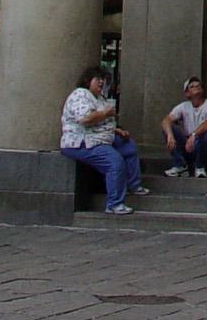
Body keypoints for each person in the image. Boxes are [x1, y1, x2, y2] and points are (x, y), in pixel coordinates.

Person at [59, 66, 147, 216]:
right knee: (114, 162)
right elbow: (85, 119)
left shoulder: (99, 98)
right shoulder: (81, 94)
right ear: (88, 80)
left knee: (128, 147)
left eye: (103, 80)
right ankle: (114, 203)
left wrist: (116, 130)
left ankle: (133, 184)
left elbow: (101, 122)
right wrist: (106, 113)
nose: (101, 82)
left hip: (101, 138)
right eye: (97, 79)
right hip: (83, 143)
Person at [162, 76, 207, 178]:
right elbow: (166, 120)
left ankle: (200, 167)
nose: (196, 87)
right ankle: (180, 165)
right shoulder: (183, 106)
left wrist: (194, 135)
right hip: (187, 145)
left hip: (202, 145)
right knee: (169, 128)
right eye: (192, 86)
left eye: (198, 85)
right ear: (187, 93)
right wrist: (170, 135)